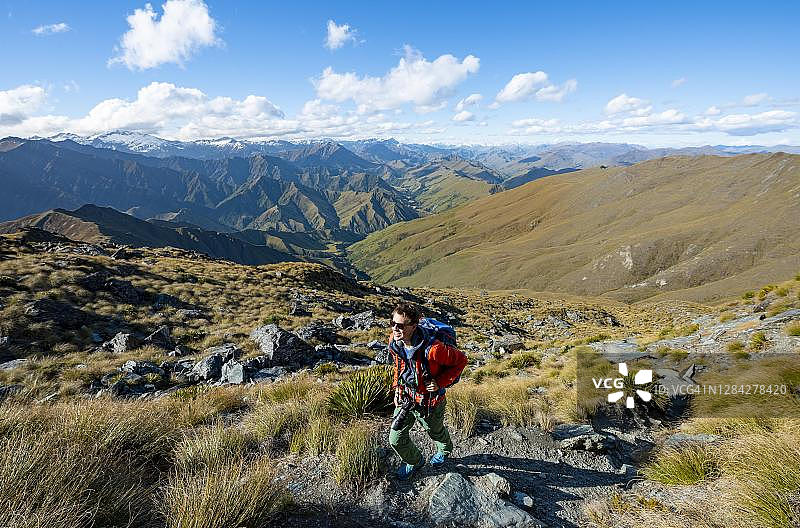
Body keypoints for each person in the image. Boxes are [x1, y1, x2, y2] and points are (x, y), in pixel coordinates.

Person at [387, 302, 468, 480]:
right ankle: (415, 461)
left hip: (430, 401)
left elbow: (461, 360)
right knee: (395, 438)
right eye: (392, 323)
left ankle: (445, 450)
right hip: (406, 398)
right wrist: (397, 387)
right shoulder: (395, 341)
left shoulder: (434, 350)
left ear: (413, 326)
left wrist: (440, 382)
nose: (395, 329)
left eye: (400, 325)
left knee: (435, 431)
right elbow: (399, 366)